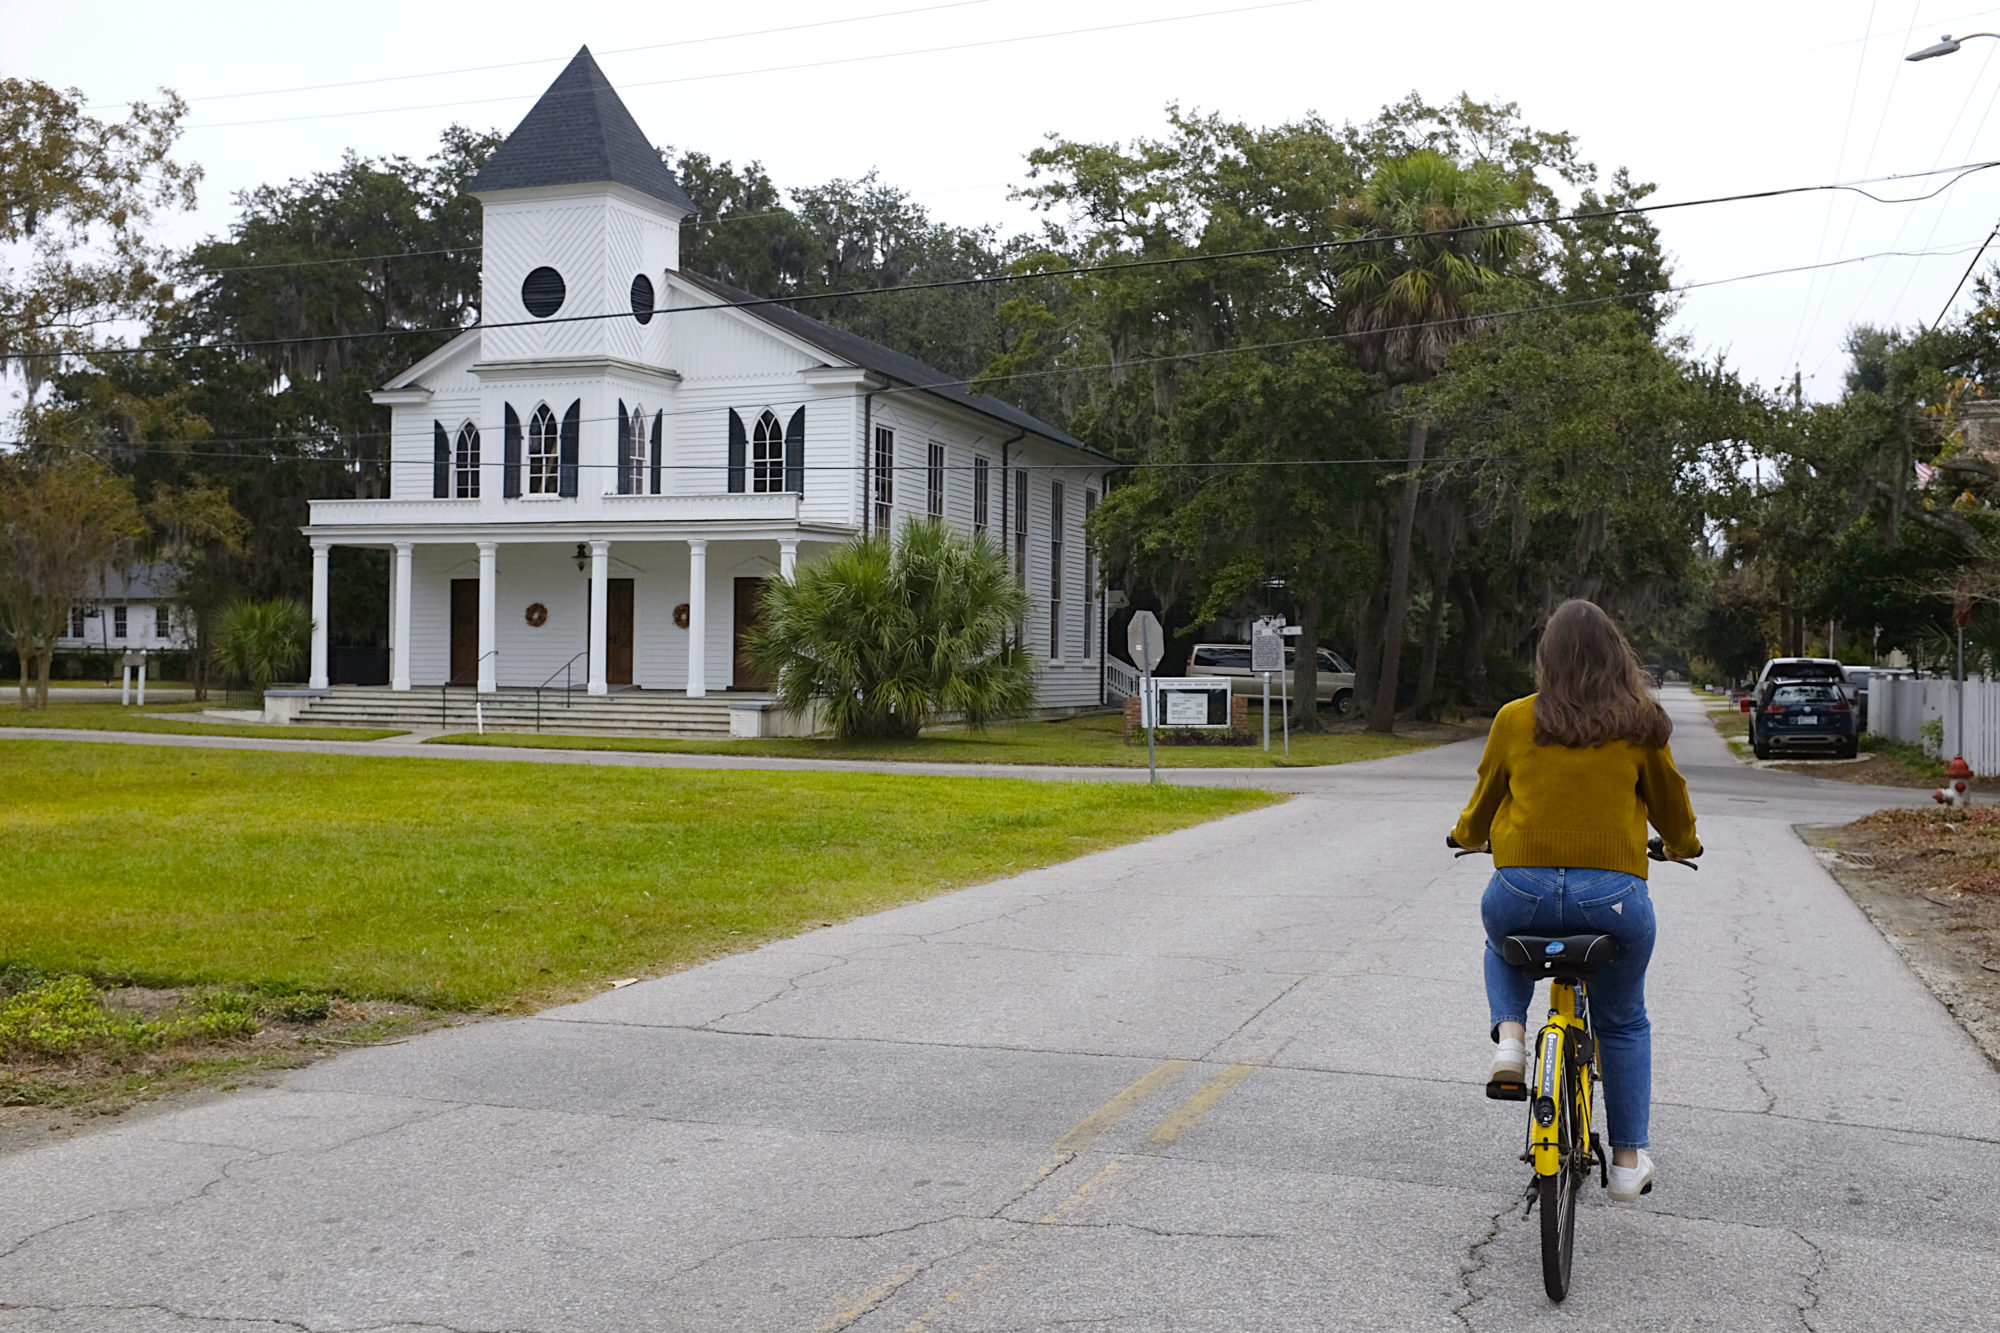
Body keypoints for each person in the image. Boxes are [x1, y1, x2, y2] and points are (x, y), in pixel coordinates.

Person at [1450, 599, 1701, 1203]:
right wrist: (1681, 845)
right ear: (1617, 654)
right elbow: (1672, 805)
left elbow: (1485, 798)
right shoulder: (1641, 721)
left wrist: (1467, 838)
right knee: (1623, 1021)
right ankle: (1626, 1160)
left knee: (1499, 941)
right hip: (1613, 900)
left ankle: (1511, 1039)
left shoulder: (1514, 718)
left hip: (1522, 890)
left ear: (1547, 658)